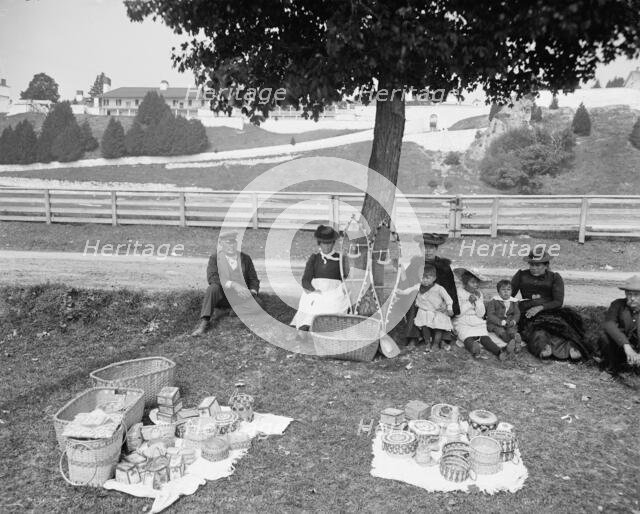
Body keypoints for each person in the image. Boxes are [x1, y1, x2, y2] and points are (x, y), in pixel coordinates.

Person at [511, 250, 593, 360]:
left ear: (546, 265)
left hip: (550, 310)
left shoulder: (555, 278)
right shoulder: (521, 275)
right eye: (531, 264)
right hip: (528, 312)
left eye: (538, 265)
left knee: (560, 327)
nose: (534, 268)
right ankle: (543, 347)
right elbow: (508, 296)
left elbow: (558, 301)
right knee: (537, 329)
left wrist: (540, 307)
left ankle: (570, 348)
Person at [190, 230, 261, 337]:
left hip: (241, 297)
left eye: (233, 242)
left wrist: (251, 292)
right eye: (228, 243)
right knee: (212, 289)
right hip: (222, 296)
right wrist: (233, 284)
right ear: (221, 244)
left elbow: (253, 279)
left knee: (259, 303)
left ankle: (236, 310)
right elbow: (212, 277)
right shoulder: (215, 258)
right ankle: (204, 324)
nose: (231, 245)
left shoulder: (245, 258)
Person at [402, 233, 460, 346]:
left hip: (438, 299)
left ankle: (442, 338)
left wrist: (447, 303)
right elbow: (408, 285)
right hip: (421, 299)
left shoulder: (444, 267)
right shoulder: (415, 264)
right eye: (424, 248)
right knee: (413, 305)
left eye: (431, 248)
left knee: (442, 310)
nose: (428, 251)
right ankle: (414, 336)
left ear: (436, 249)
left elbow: (450, 288)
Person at [290, 225, 350, 332]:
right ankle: (306, 325)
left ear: (333, 243)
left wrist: (344, 287)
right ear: (319, 243)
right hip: (317, 290)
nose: (327, 247)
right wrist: (313, 291)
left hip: (334, 291)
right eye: (324, 243)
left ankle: (321, 326)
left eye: (329, 243)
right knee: (315, 301)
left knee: (334, 303)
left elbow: (346, 278)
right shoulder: (314, 258)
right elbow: (305, 280)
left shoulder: (340, 259)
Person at [453, 268, 514, 360]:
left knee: (485, 337)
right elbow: (458, 313)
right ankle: (474, 349)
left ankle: (500, 352)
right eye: (472, 282)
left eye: (477, 282)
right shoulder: (458, 292)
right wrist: (469, 303)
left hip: (476, 321)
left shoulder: (479, 294)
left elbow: (480, 314)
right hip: (462, 321)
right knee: (467, 337)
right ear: (465, 282)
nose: (476, 285)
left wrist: (478, 302)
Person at [597, 275, 640, 377]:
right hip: (621, 347)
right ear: (625, 294)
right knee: (604, 336)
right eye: (629, 294)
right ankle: (611, 368)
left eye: (636, 295)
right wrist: (626, 346)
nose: (632, 298)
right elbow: (609, 324)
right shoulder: (617, 305)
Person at [413, 263, 454, 351]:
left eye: (427, 278)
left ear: (434, 278)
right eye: (422, 278)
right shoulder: (418, 288)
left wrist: (449, 308)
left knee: (438, 328)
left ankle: (436, 343)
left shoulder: (439, 288)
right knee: (424, 326)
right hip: (424, 312)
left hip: (437, 311)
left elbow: (448, 299)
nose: (424, 280)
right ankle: (427, 342)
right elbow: (408, 292)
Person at [486, 279, 522, 351]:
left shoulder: (514, 301)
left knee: (512, 330)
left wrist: (514, 321)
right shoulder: (494, 301)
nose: (506, 291)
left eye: (508, 289)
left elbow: (517, 313)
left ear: (511, 291)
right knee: (500, 331)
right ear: (498, 292)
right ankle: (510, 343)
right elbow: (490, 315)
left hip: (509, 322)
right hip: (496, 323)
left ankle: (516, 339)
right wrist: (500, 322)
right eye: (503, 289)